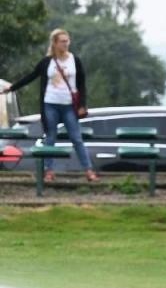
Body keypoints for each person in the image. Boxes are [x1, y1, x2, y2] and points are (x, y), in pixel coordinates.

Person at [0, 28, 99, 183]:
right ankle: (49, 170)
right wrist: (12, 88)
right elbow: (31, 76)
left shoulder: (75, 60)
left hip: (68, 106)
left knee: (76, 138)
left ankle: (89, 170)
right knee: (50, 137)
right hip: (50, 104)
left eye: (67, 41)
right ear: (54, 43)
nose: (66, 44)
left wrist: (82, 105)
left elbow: (81, 84)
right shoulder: (47, 62)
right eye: (62, 41)